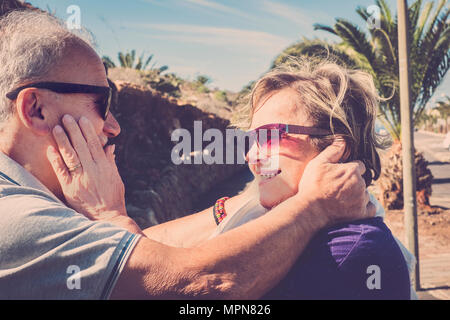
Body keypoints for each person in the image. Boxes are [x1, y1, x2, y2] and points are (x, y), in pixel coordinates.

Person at [0, 10, 374, 299]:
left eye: (270, 135)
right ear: (35, 109)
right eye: (102, 102)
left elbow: (141, 251)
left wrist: (240, 207)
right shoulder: (16, 218)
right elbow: (194, 283)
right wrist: (315, 207)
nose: (113, 126)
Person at [208, 60, 412, 299]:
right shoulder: (294, 232)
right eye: (252, 139)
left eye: (270, 137)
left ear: (337, 147)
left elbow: (205, 286)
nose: (250, 155)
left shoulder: (346, 250)